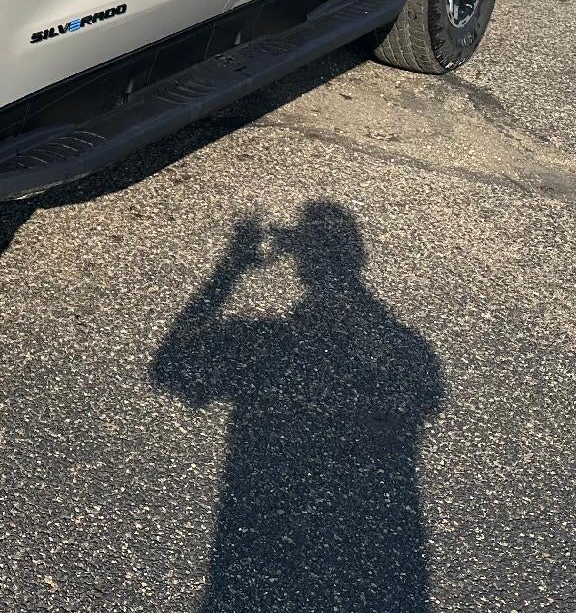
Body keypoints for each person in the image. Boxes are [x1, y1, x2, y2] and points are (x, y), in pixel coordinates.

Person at [150, 203, 445, 612]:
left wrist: (230, 269)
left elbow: (170, 364)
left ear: (297, 262)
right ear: (357, 259)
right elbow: (425, 395)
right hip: (372, 548)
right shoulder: (410, 352)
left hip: (263, 540)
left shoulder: (265, 344)